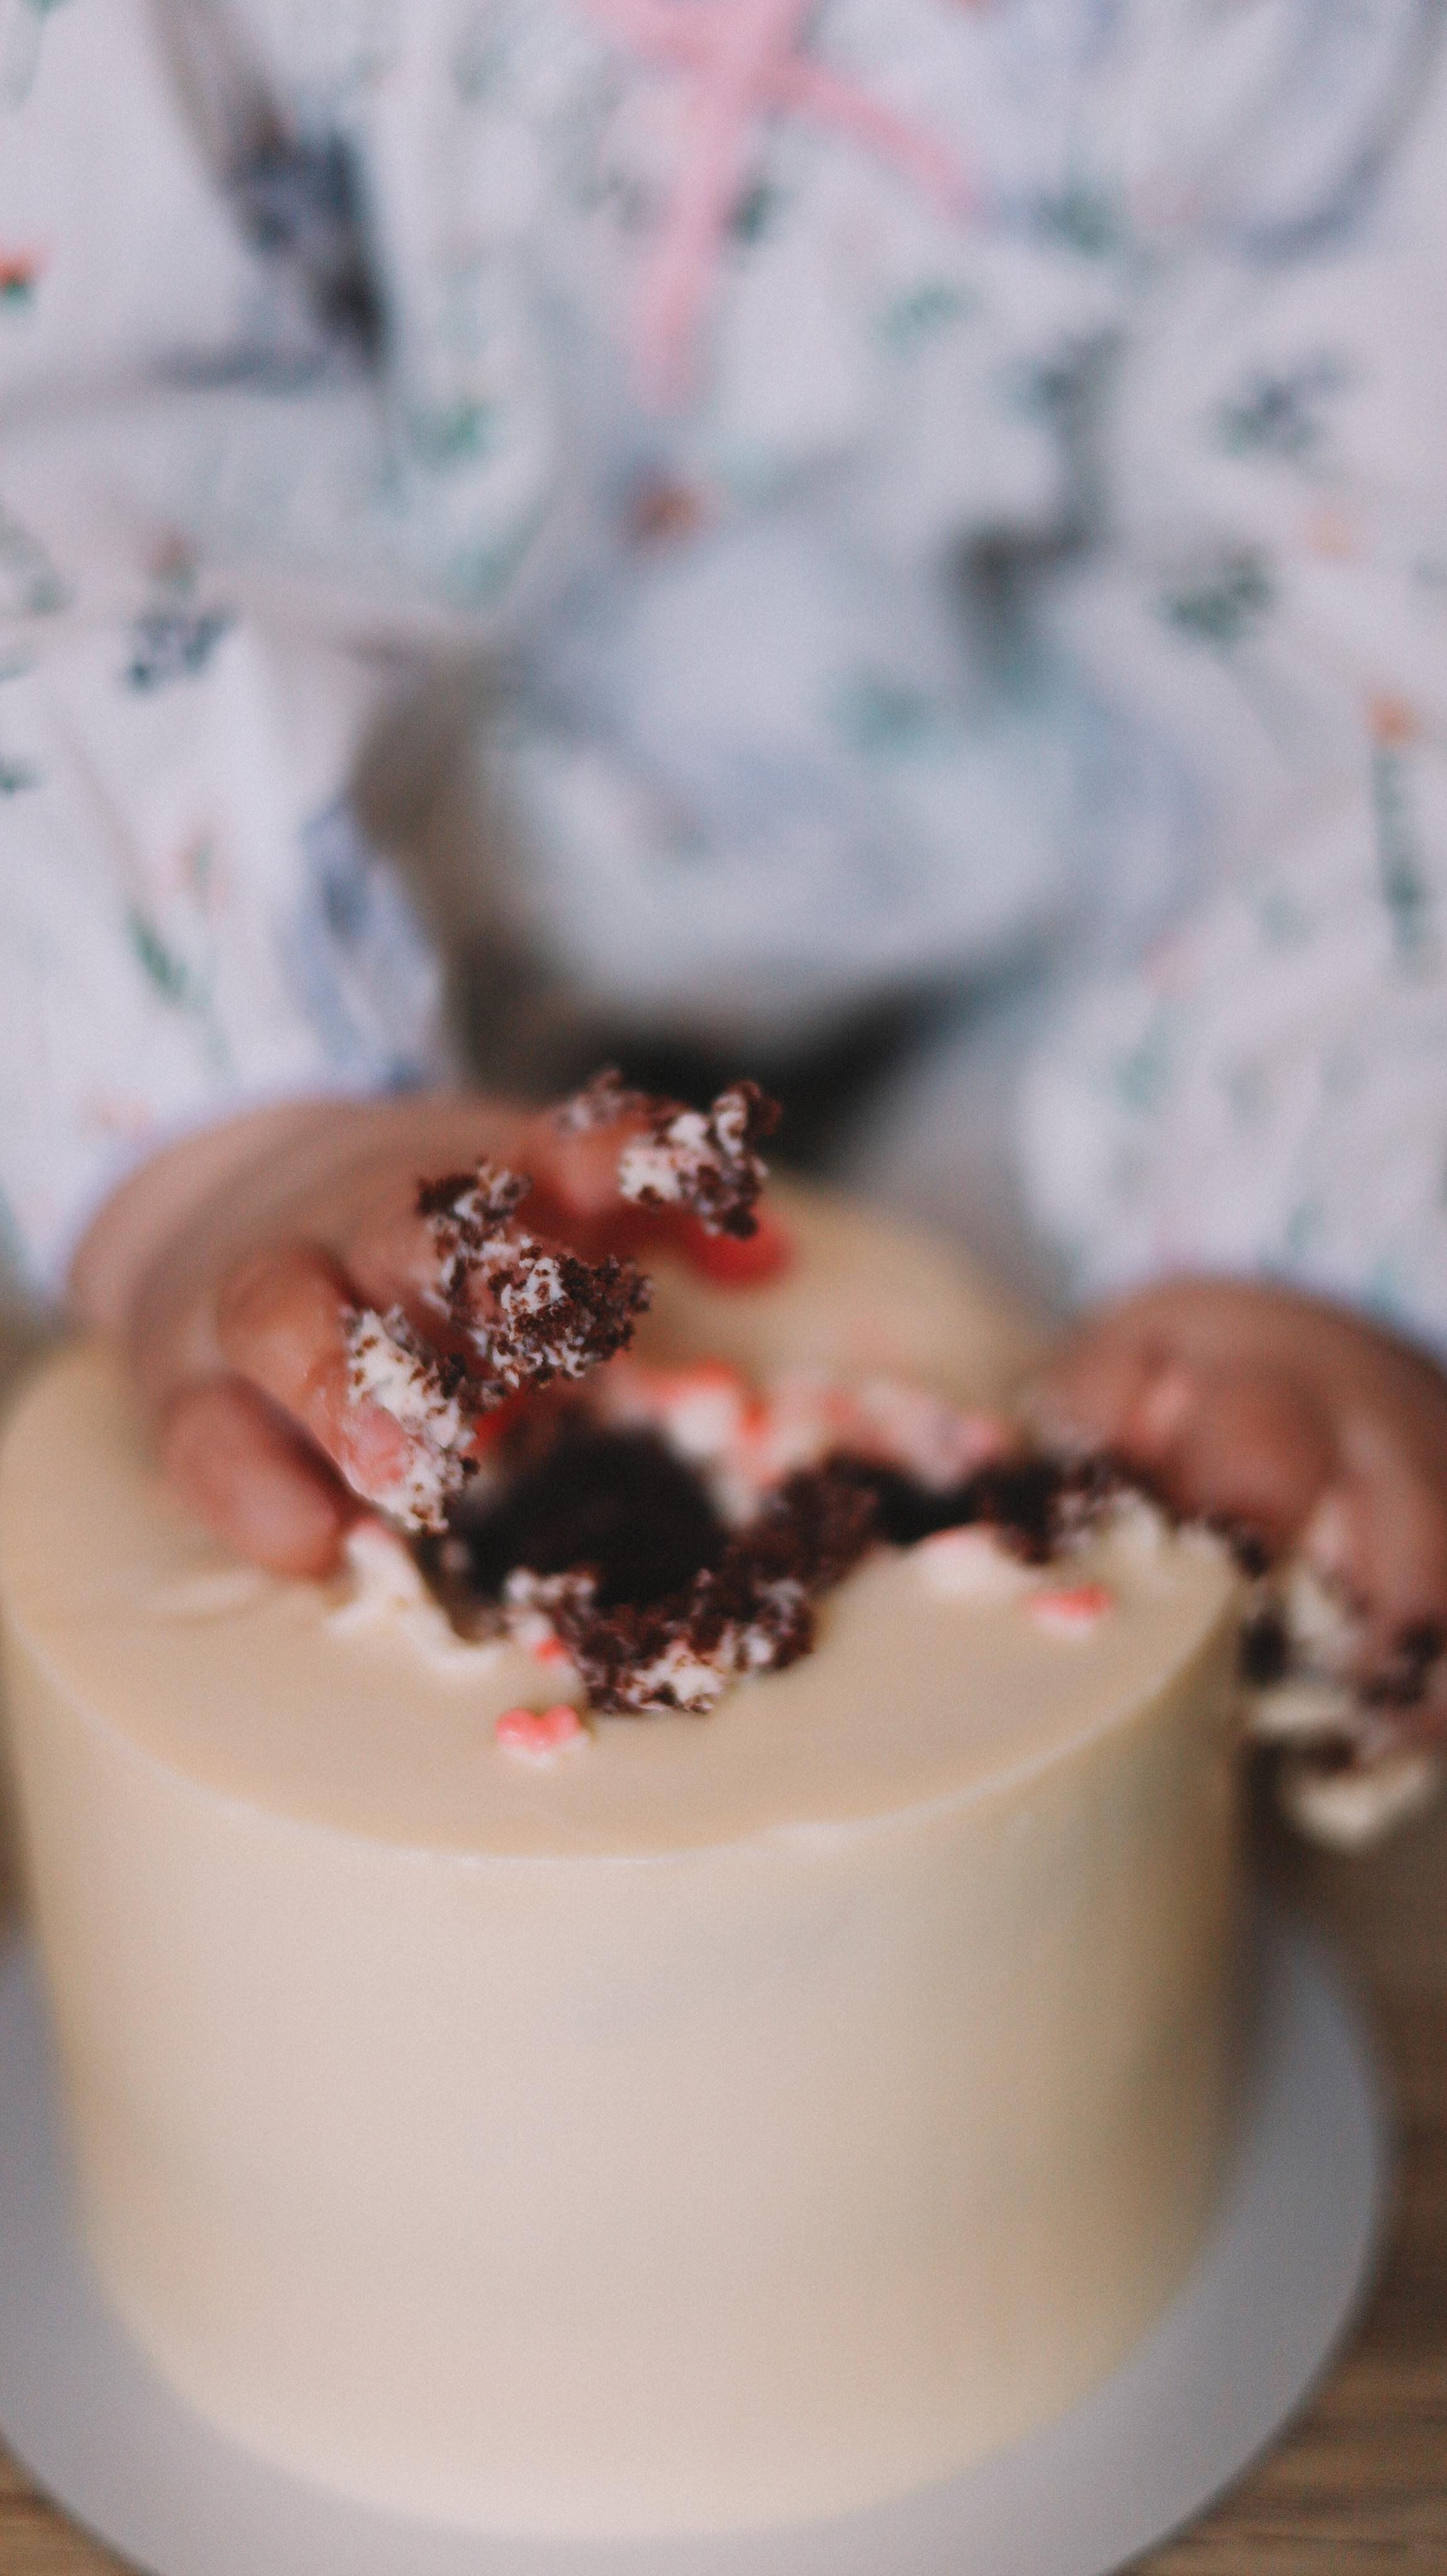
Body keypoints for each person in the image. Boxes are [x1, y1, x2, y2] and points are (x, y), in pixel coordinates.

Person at [3, 0, 1446, 1671]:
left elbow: (1379, 546)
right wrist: (218, 1130)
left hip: (1036, 958)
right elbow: (56, 431)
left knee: (1106, 1538)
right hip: (209, 878)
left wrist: (1293, 1189)